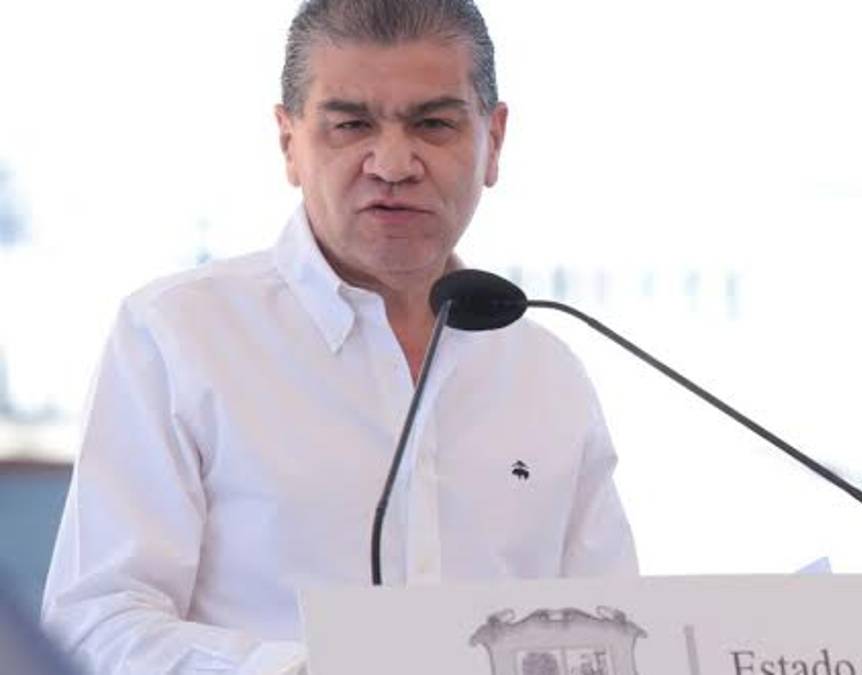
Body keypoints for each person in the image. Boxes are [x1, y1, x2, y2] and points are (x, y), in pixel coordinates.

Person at [40, 1, 638, 673]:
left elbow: (614, 626)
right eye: (351, 125)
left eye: (433, 124)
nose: (393, 163)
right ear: (289, 143)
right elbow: (94, 628)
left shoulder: (546, 372)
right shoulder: (177, 336)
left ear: (493, 142)